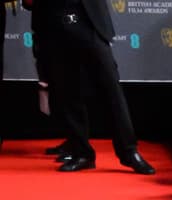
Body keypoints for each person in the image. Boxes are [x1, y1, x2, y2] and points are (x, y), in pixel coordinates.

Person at [26, 0, 154, 173]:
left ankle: (129, 151)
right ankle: (82, 153)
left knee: (111, 89)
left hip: (88, 18)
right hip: (52, 21)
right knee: (66, 90)